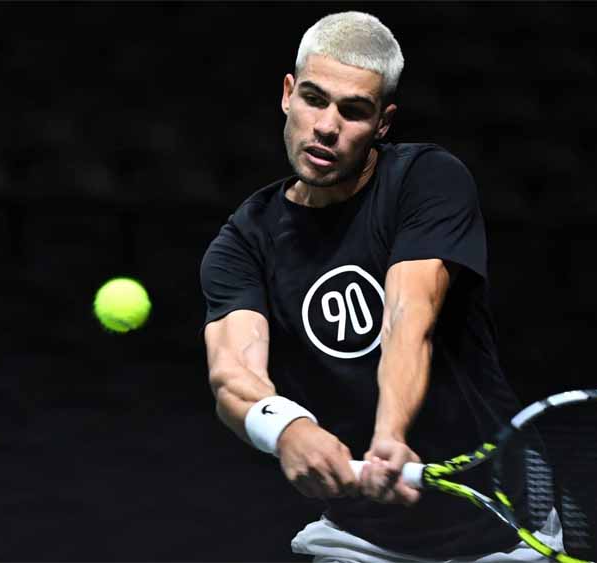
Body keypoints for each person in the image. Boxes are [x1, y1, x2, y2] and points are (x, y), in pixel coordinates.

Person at [200, 11, 556, 562]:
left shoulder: (425, 180)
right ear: (288, 94)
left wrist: (390, 433)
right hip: (361, 540)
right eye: (314, 99)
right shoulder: (243, 242)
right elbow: (234, 375)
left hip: (505, 527)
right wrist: (287, 427)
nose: (327, 126)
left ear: (383, 123)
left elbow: (408, 316)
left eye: (353, 110)